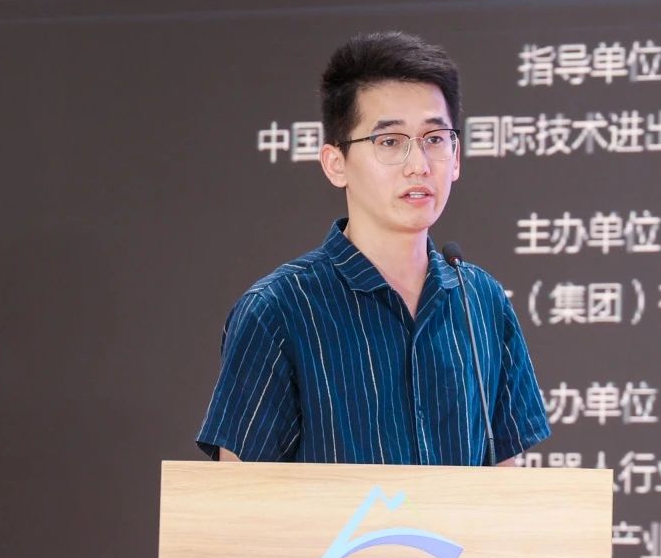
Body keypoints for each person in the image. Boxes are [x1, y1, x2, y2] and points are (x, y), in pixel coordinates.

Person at [196, 31, 550, 466]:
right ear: (335, 164)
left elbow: (508, 485)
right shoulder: (278, 310)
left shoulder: (482, 302)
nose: (418, 164)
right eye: (390, 142)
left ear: (456, 157)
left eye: (435, 139)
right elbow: (238, 494)